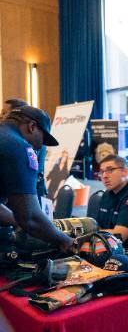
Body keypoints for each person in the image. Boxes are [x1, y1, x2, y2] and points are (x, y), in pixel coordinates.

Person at [0, 106, 73, 252]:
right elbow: (30, 217)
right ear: (32, 126)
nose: (40, 146)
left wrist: (17, 221)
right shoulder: (18, 147)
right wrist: (65, 240)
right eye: (43, 138)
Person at [0, 98, 47, 200]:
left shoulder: (20, 144)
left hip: (28, 192)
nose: (2, 116)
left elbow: (39, 170)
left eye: (4, 113)